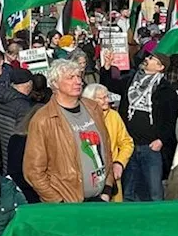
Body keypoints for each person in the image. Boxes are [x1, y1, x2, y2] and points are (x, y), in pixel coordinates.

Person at [25, 59, 114, 203]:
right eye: (70, 77)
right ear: (55, 84)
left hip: (101, 198)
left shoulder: (93, 108)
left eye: (79, 76)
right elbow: (33, 171)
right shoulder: (44, 119)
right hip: (69, 204)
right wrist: (58, 202)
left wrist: (107, 189)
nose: (78, 81)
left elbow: (106, 147)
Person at [111, 52, 178, 201]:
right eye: (147, 57)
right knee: (128, 189)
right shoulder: (131, 81)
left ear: (160, 67)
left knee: (154, 191)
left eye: (151, 59)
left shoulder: (165, 90)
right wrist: (107, 67)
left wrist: (161, 140)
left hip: (151, 147)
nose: (146, 60)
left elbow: (171, 119)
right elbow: (112, 85)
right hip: (130, 145)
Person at [0, 67, 34, 172]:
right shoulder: (23, 106)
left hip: (5, 156)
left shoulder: (3, 99)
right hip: (18, 161)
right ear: (29, 84)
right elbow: (23, 137)